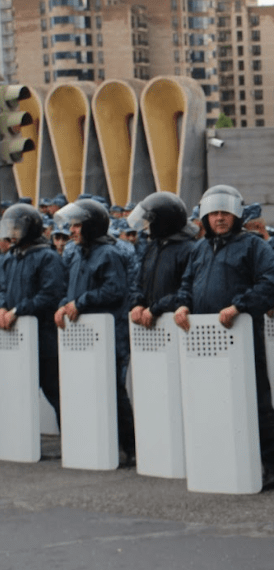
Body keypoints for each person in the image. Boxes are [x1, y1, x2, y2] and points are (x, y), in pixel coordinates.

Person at [173, 185, 274, 491]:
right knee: (212, 399)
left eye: (225, 213)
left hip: (242, 336)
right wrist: (183, 304)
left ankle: (271, 464)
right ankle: (220, 457)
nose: (219, 218)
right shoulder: (199, 249)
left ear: (236, 215)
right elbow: (186, 283)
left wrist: (240, 306)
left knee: (256, 399)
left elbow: (271, 283)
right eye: (213, 213)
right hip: (205, 339)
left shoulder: (253, 246)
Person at [52, 198, 137, 467]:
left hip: (110, 334)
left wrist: (80, 303)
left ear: (91, 227)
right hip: (86, 335)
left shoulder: (108, 254)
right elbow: (70, 289)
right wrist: (64, 306)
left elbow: (114, 291)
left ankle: (131, 447)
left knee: (113, 390)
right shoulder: (78, 253)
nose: (72, 231)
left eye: (77, 225)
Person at [0, 204, 67, 430]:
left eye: (16, 228)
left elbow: (51, 294)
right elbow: (2, 288)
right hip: (17, 339)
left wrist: (18, 311)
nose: (12, 233)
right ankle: (23, 443)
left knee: (55, 391)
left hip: (44, 337)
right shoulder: (11, 258)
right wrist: (2, 307)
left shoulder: (47, 258)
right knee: (19, 392)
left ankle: (72, 441)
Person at [127, 192, 199, 328]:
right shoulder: (153, 246)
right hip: (150, 323)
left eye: (150, 221)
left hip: (176, 325)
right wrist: (137, 303)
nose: (147, 226)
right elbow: (138, 281)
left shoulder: (189, 249)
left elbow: (188, 291)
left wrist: (157, 308)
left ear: (162, 222)